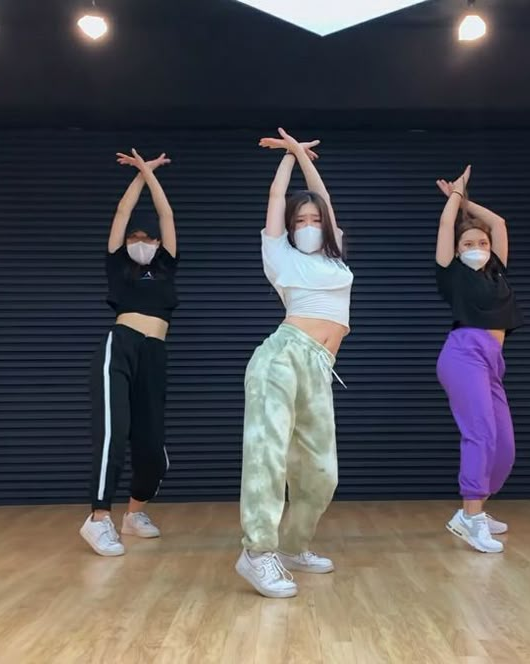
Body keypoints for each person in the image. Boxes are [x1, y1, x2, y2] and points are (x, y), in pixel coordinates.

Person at [235, 129, 353, 597]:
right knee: (267, 457)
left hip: (320, 368)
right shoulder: (279, 253)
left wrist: (306, 156)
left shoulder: (336, 256)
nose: (308, 222)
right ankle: (257, 552)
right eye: (299, 219)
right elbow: (277, 195)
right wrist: (287, 158)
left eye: (313, 219)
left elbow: (321, 195)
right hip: (282, 357)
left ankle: (291, 546)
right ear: (288, 226)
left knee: (322, 471)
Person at [79, 149, 178, 557]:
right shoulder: (118, 265)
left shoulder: (167, 265)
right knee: (113, 435)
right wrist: (138, 174)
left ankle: (134, 514)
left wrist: (152, 175)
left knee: (153, 449)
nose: (140, 242)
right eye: (135, 238)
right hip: (119, 348)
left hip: (155, 354)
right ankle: (98, 518)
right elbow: (122, 213)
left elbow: (166, 214)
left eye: (146, 238)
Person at [434, 165, 524, 553]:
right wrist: (454, 199)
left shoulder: (496, 272)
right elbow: (445, 226)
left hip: (491, 362)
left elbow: (499, 222)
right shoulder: (452, 274)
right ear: (457, 251)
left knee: (503, 447)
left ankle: (476, 510)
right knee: (481, 435)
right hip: (463, 354)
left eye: (481, 244)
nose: (475, 249)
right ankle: (469, 517)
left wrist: (466, 198)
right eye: (467, 244)